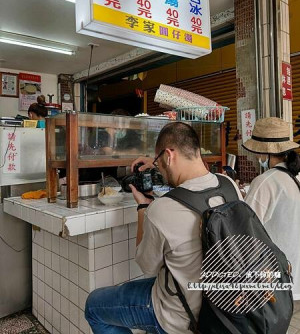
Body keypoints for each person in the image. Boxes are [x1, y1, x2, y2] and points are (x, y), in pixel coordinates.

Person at [85, 122, 243, 333]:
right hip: (227, 307)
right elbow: (194, 186)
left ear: (169, 155)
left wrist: (143, 207)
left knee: (94, 306)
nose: (157, 167)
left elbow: (146, 266)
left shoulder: (162, 209)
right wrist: (157, 163)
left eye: (159, 162)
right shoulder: (228, 185)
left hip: (180, 315)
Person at [243, 117, 300, 300]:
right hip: (293, 268)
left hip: (272, 273)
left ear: (264, 153)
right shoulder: (296, 176)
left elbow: (245, 227)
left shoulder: (265, 181)